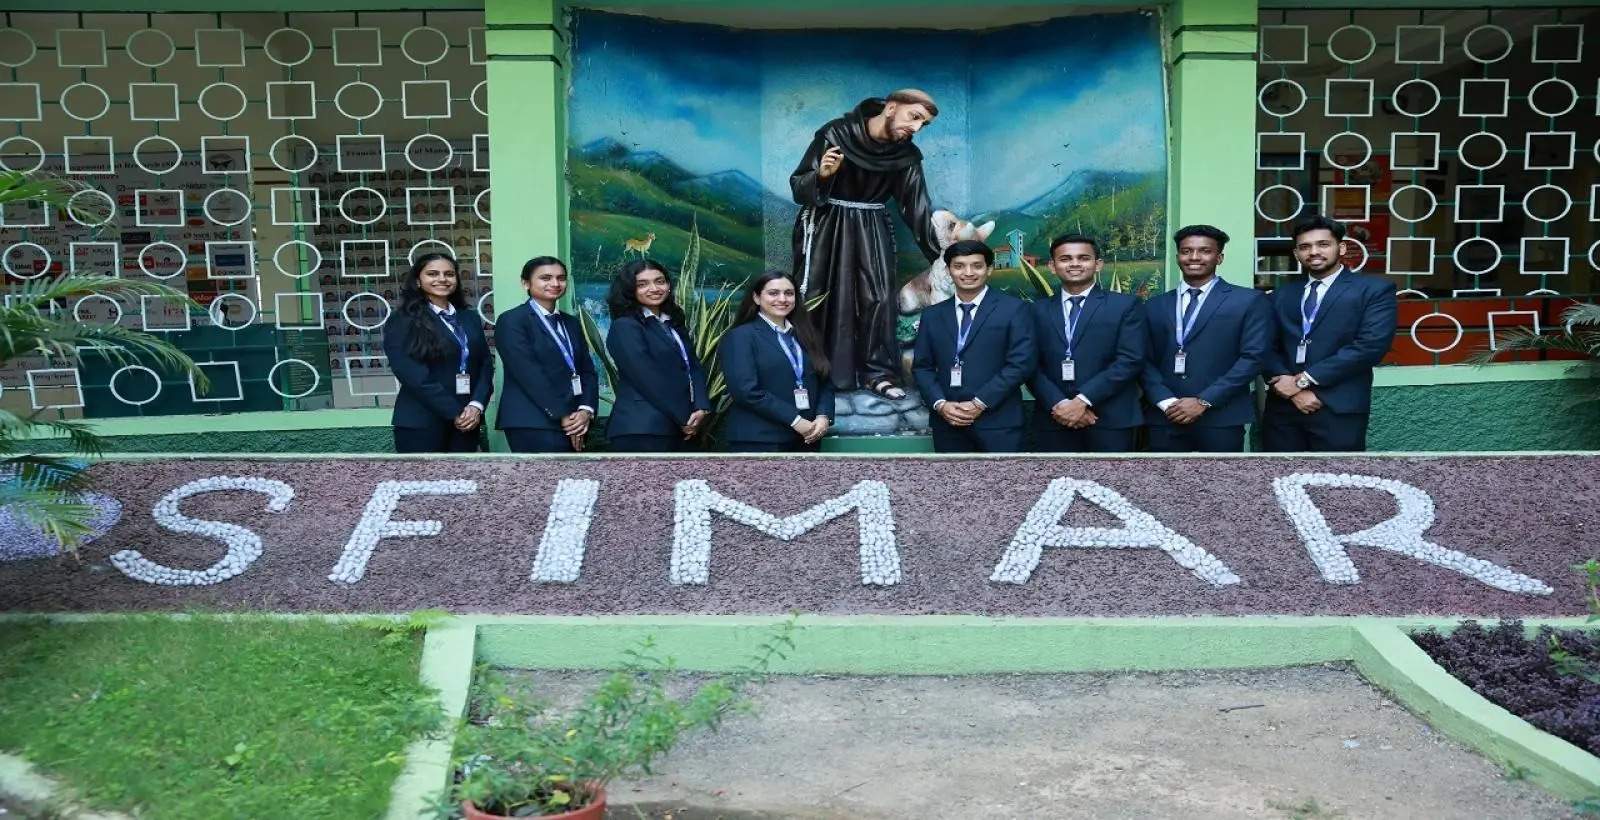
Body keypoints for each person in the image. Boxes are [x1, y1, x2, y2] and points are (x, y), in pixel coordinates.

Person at [790, 89, 942, 399]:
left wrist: (944, 256)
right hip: (827, 224)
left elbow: (917, 208)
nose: (916, 128)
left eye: (923, 124)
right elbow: (798, 186)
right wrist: (822, 176)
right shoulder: (836, 134)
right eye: (914, 117)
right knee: (817, 295)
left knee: (878, 297)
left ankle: (878, 373)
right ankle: (815, 371)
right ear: (891, 107)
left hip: (871, 226)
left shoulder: (906, 156)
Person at [1261, 215, 1398, 452]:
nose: (1314, 252)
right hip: (1283, 410)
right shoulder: (1281, 295)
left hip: (1338, 407)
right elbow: (1264, 345)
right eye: (1305, 247)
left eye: (1323, 244)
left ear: (1341, 248)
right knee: (1278, 474)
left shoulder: (1374, 290)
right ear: (1296, 254)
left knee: (1338, 475)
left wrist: (1303, 381)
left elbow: (1370, 346)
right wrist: (1291, 390)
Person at [1140, 225, 1271, 453]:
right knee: (1163, 477)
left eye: (1205, 251)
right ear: (1178, 256)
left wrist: (1204, 401)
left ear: (1219, 258)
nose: (1194, 257)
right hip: (1165, 416)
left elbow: (1253, 358)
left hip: (1221, 416)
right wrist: (1165, 401)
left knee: (1221, 477)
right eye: (1186, 251)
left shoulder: (1248, 301)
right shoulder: (1154, 305)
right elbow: (1142, 358)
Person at [912, 239, 1034, 453]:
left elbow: (1021, 364)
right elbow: (922, 367)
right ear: (948, 271)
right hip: (948, 422)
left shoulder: (1014, 309)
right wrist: (940, 404)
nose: (968, 273)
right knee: (951, 476)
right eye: (959, 266)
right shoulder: (932, 315)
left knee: (1005, 476)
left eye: (977, 266)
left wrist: (979, 403)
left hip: (999, 422)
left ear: (989, 269)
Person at [1030, 234, 1146, 453]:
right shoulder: (1036, 310)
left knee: (1113, 477)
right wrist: (1060, 404)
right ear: (1052, 266)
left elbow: (1130, 360)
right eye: (1065, 259)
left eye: (1083, 258)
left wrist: (1082, 401)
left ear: (1098, 264)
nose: (1074, 263)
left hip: (1111, 419)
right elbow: (1028, 364)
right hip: (1053, 418)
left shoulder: (1126, 305)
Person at [382, 252, 493, 453]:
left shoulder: (469, 318)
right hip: (422, 422)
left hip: (468, 421)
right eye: (432, 274)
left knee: (464, 474)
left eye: (449, 274)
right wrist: (455, 412)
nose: (442, 279)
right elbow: (412, 374)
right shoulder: (403, 320)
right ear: (418, 281)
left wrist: (476, 405)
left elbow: (485, 364)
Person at [604, 259, 712, 452]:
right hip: (643, 429)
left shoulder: (673, 324)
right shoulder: (625, 326)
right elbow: (647, 377)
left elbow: (693, 367)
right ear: (630, 289)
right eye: (642, 284)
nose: (654, 288)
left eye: (659, 281)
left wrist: (701, 407)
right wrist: (684, 418)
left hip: (680, 426)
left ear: (668, 285)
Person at [720, 273, 836, 452]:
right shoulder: (741, 336)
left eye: (789, 293)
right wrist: (795, 420)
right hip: (759, 440)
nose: (782, 299)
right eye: (773, 293)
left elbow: (824, 379)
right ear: (756, 298)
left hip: (808, 437)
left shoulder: (806, 335)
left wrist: (823, 416)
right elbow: (745, 391)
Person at [493, 256, 599, 453]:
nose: (555, 283)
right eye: (546, 278)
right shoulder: (512, 320)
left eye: (561, 278)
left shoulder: (571, 323)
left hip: (576, 419)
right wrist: (563, 415)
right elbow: (528, 373)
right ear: (526, 283)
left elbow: (587, 370)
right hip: (532, 421)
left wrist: (586, 409)